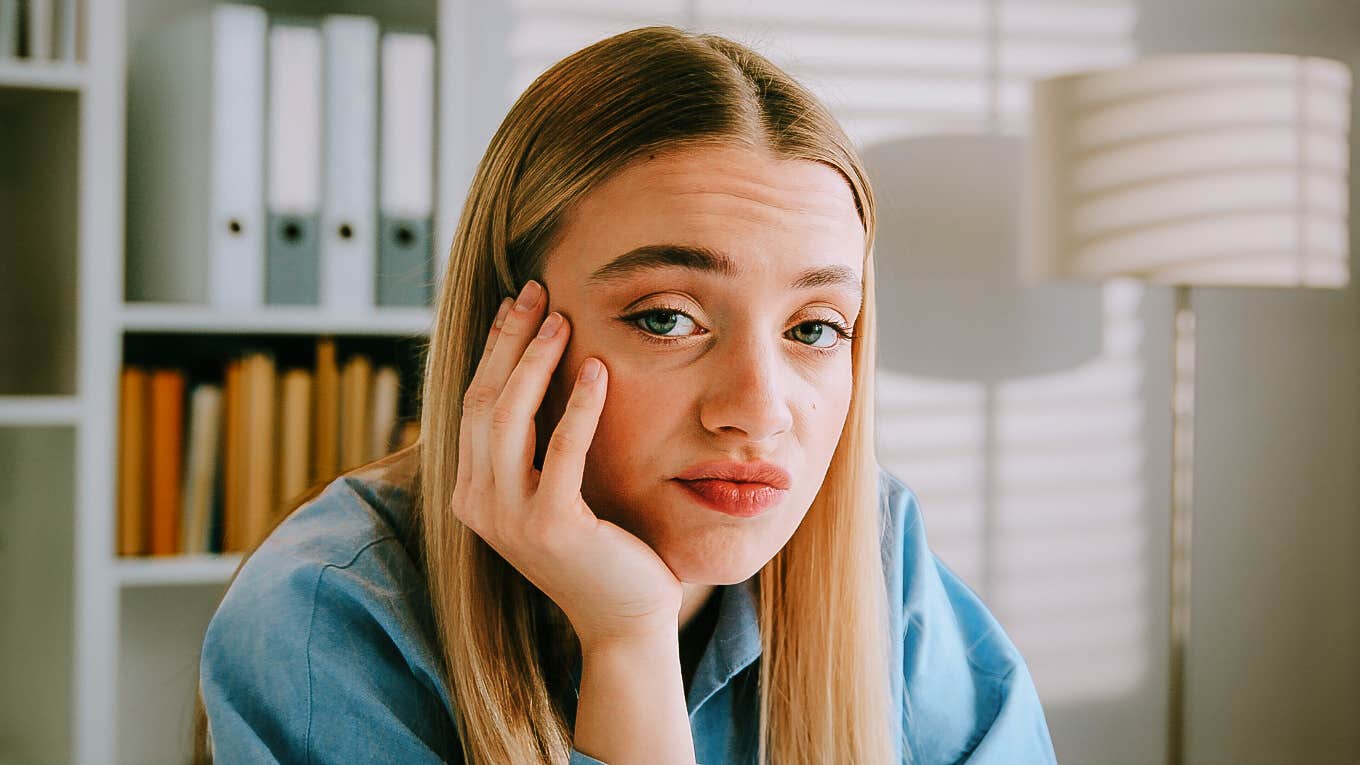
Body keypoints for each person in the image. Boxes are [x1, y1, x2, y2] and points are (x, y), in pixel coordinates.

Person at [193, 25, 1059, 765]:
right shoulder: (326, 617)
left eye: (816, 328)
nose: (758, 409)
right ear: (511, 334)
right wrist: (629, 641)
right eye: (667, 318)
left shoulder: (877, 553)